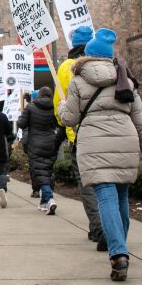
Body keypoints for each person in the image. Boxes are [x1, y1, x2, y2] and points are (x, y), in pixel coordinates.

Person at [58, 28, 142, 282]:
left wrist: (62, 107)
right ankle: (120, 248)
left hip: (94, 144)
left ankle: (118, 254)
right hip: (126, 142)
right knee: (122, 198)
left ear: (88, 56)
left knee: (105, 197)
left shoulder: (78, 80)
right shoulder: (125, 79)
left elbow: (69, 118)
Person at [54, 26, 105, 249]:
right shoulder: (108, 64)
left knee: (87, 184)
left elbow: (60, 108)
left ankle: (98, 227)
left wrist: (65, 124)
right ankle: (115, 228)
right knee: (110, 183)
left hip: (80, 134)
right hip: (109, 133)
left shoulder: (66, 68)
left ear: (73, 44)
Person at [17, 87, 66, 214]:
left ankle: (49, 199)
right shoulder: (54, 107)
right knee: (46, 171)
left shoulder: (31, 108)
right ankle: (44, 203)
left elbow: (21, 124)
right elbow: (60, 124)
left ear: (39, 95)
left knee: (40, 173)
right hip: (51, 143)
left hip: (35, 144)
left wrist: (22, 115)